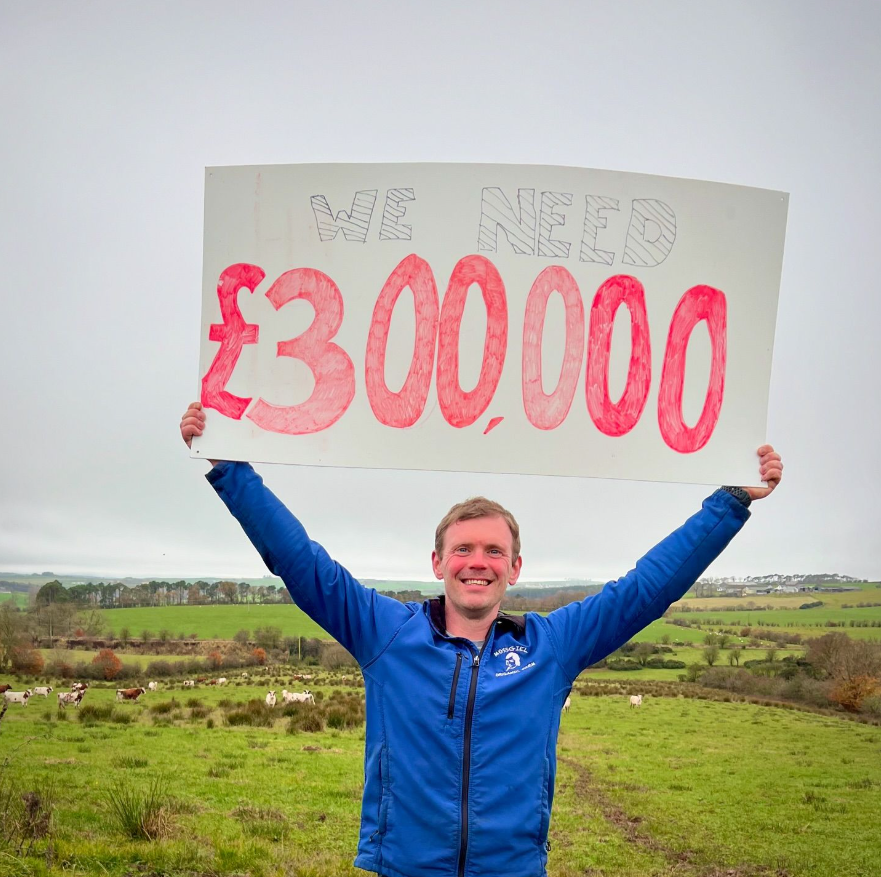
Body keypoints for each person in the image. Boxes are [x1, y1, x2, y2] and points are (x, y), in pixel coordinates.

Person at [180, 401, 782, 877]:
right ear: (437, 560)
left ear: (515, 568)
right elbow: (300, 562)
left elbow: (646, 590)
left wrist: (730, 502)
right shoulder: (387, 634)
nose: (478, 562)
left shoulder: (552, 647)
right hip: (406, 869)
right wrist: (228, 466)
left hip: (513, 870)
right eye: (463, 548)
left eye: (495, 550)